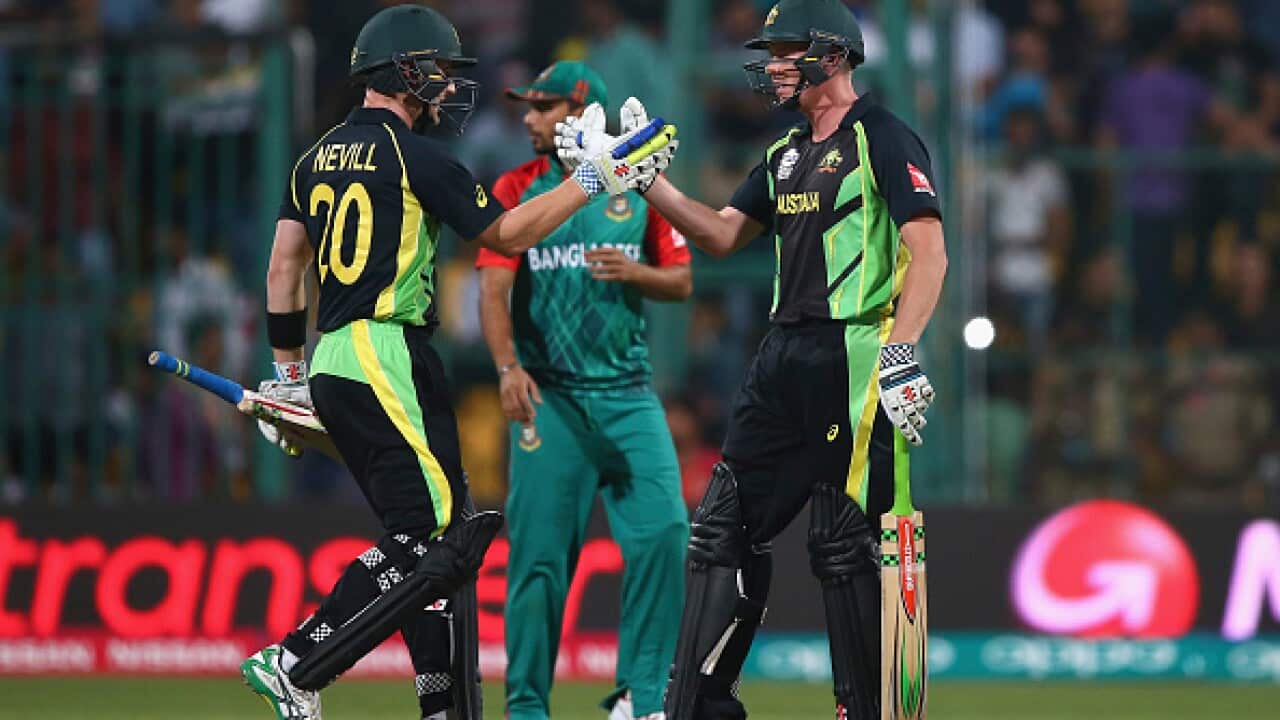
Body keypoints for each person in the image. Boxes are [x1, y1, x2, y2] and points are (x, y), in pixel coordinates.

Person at [236, 6, 677, 720]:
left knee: (433, 542)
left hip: (333, 357)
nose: (445, 86)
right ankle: (299, 660)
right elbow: (504, 233)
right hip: (386, 350)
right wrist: (597, 177)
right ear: (403, 71)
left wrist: (288, 375)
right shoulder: (420, 158)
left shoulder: (312, 157)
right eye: (435, 71)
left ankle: (443, 707)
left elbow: (283, 271)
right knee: (436, 534)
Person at [560, 1, 946, 717]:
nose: (771, 67)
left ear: (831, 54)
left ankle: (868, 709)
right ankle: (701, 706)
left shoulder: (884, 137)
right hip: (780, 357)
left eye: (785, 51)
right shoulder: (784, 154)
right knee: (720, 530)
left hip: (854, 351)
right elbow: (720, 233)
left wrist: (899, 350)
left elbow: (930, 251)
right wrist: (648, 182)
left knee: (844, 544)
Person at [476, 61, 692, 720]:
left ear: (583, 113)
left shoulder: (638, 188)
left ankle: (642, 697)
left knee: (666, 534)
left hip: (627, 394)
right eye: (528, 107)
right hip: (552, 399)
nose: (528, 118)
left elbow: (682, 280)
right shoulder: (516, 186)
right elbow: (492, 285)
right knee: (539, 564)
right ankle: (527, 710)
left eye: (543, 107)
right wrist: (508, 366)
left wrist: (634, 272)